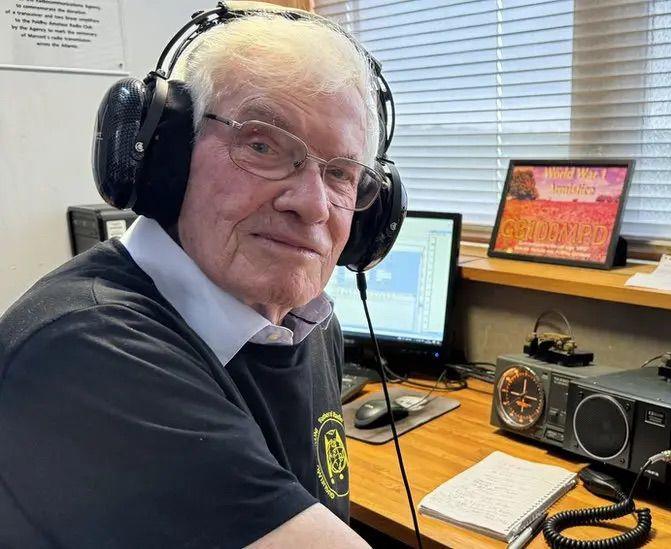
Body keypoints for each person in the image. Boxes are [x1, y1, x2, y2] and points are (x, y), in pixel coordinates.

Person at [0, 8, 387, 548]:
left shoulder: (308, 323)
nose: (313, 205)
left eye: (341, 173)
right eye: (263, 145)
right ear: (167, 154)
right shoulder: (85, 349)